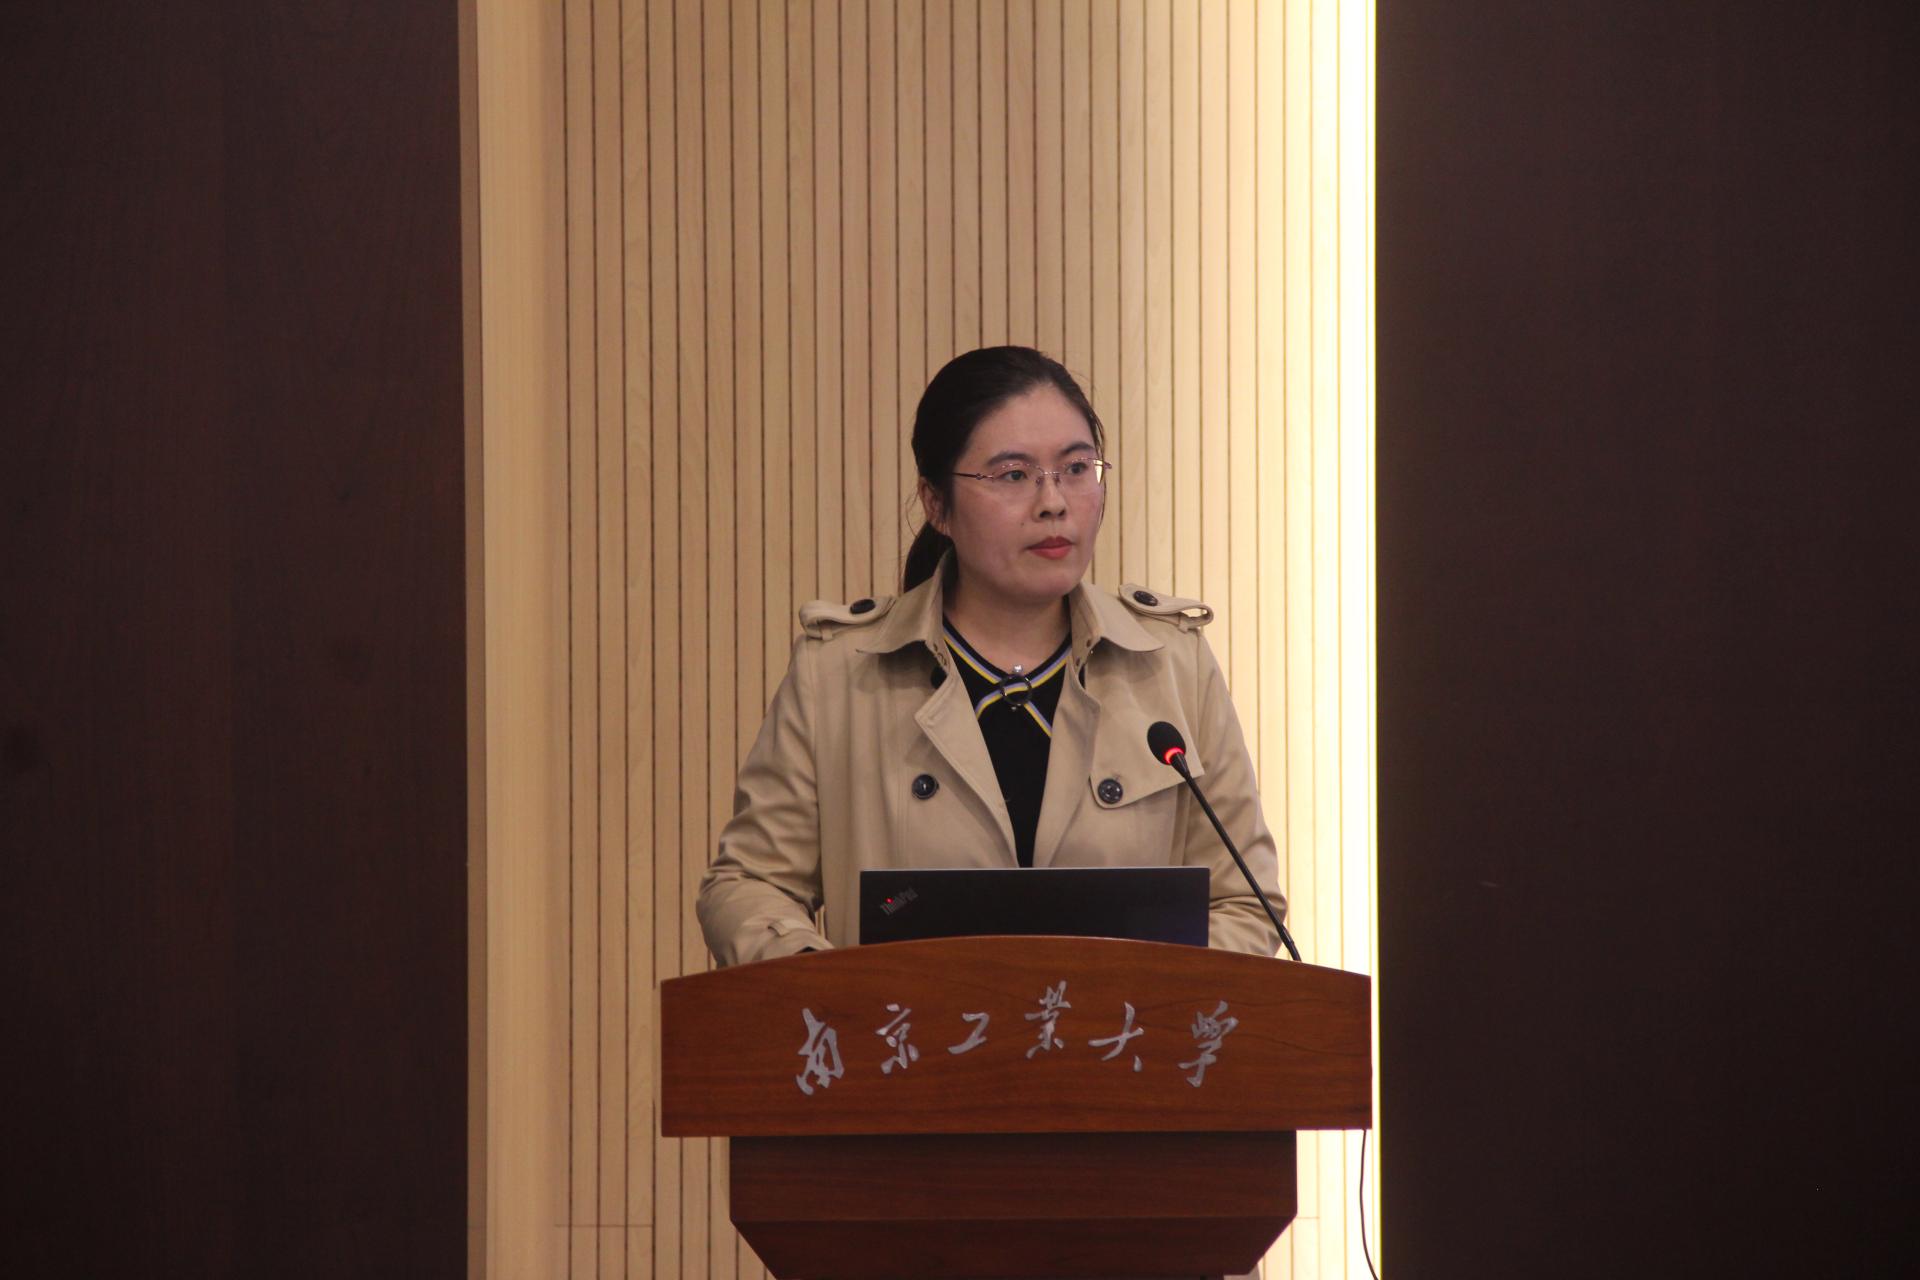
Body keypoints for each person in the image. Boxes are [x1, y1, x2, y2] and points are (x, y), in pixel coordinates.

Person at [697, 346, 1285, 967]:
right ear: (936, 503)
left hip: (1123, 1028)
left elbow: (1246, 901)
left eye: (1076, 468)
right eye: (1013, 475)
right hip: (906, 1028)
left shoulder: (1172, 664)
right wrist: (833, 992)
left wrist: (1149, 998)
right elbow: (748, 885)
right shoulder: (839, 674)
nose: (1053, 501)